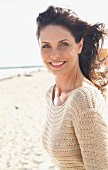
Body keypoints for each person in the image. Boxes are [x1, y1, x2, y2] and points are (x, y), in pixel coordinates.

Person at [36, 5, 108, 170]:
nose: (54, 54)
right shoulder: (52, 94)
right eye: (46, 45)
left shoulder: (84, 100)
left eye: (63, 44)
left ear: (79, 46)